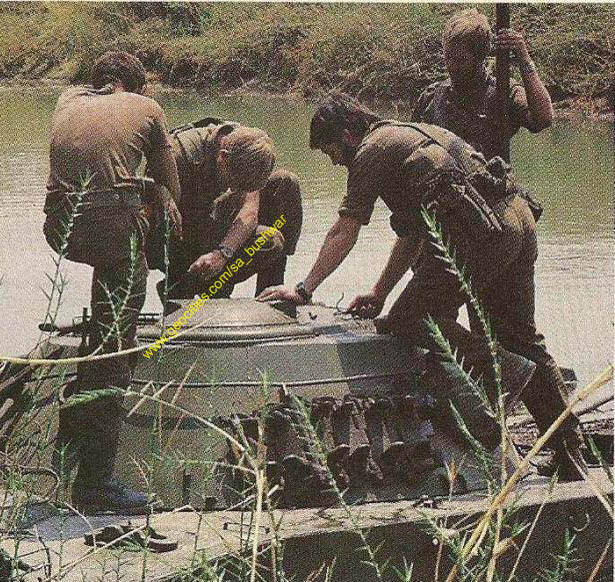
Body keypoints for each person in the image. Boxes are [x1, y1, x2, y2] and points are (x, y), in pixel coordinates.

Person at [258, 94, 586, 481]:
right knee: (522, 338)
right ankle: (570, 455)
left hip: (479, 236)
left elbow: (345, 229)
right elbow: (415, 232)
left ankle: (503, 368)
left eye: (332, 151)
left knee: (412, 320)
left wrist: (303, 289)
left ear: (348, 134)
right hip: (516, 222)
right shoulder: (408, 135)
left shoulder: (369, 151)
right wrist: (380, 291)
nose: (335, 161)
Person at [42, 51, 182, 511]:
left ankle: (70, 441)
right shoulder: (147, 108)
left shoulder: (67, 98)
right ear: (137, 86)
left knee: (100, 330)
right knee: (114, 353)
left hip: (60, 228)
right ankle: (96, 482)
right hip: (111, 233)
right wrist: (158, 194)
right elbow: (170, 184)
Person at [146, 119, 303, 301]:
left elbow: (250, 211)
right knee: (269, 240)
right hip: (176, 233)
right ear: (222, 157)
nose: (236, 190)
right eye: (235, 184)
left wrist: (223, 254)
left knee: (285, 184)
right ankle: (185, 287)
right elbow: (145, 221)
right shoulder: (177, 155)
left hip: (209, 220)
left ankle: (269, 294)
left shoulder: (247, 145)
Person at [411, 8, 553, 160]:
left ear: (480, 57)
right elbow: (410, 147)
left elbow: (542, 119)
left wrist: (524, 59)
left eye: (461, 60)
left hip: (487, 181)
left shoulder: (502, 92)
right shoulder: (431, 97)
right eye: (448, 57)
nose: (452, 66)